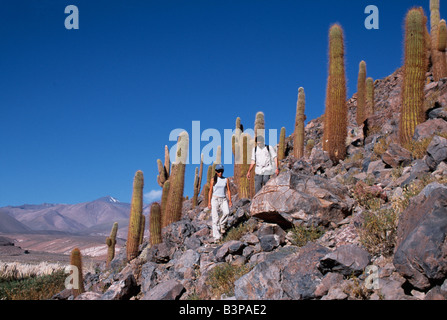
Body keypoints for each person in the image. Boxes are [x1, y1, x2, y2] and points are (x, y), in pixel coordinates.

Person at [208, 164, 233, 242]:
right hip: (215, 199)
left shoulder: (226, 179)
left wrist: (230, 201)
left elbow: (228, 190)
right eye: (219, 171)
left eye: (221, 171)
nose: (220, 173)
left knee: (227, 212)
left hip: (223, 199)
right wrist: (209, 202)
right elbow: (210, 191)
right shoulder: (213, 180)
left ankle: (222, 225)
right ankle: (217, 237)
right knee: (215, 219)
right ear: (216, 171)